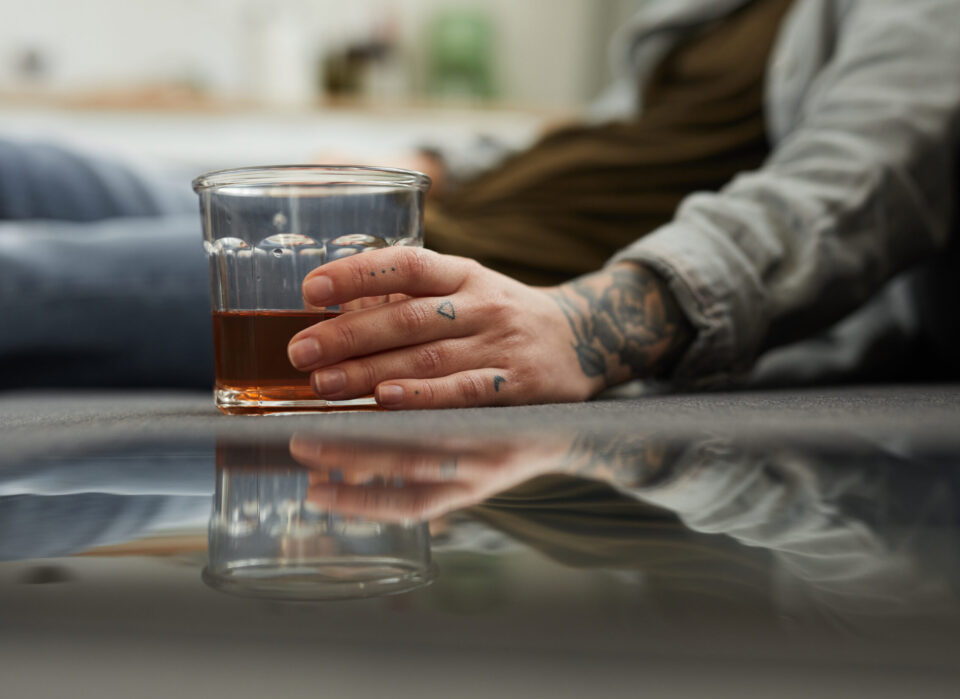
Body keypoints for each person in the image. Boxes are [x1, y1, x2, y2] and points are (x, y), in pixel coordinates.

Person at [2, 0, 959, 404]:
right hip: (422, 209)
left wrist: (586, 325)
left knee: (27, 280)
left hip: (462, 281)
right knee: (30, 162)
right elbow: (596, 146)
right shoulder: (722, 19)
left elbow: (854, 187)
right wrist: (434, 160)